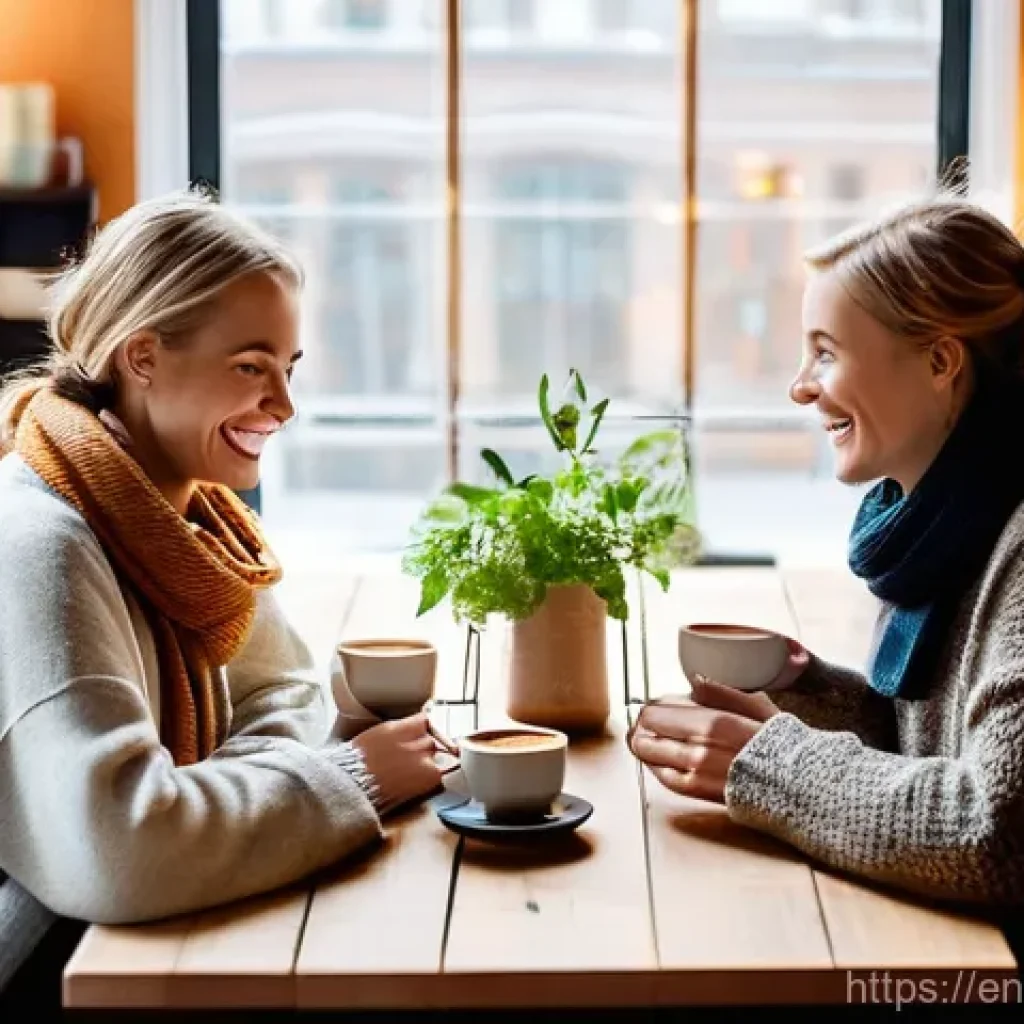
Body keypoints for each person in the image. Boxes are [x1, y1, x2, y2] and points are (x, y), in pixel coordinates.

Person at [0, 191, 444, 929]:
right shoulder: (39, 543)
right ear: (142, 356)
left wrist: (215, 801)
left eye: (289, 368)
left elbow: (286, 690)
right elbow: (124, 853)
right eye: (249, 367)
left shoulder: (188, 520)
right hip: (53, 964)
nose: (284, 405)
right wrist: (353, 777)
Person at [629, 195, 1024, 947]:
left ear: (940, 362)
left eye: (826, 353)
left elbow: (994, 830)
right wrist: (808, 686)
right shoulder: (942, 520)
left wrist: (764, 763)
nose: (801, 387)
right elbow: (932, 748)